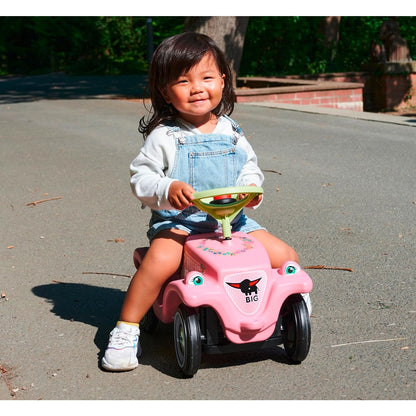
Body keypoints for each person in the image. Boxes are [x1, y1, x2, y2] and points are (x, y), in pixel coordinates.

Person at [101, 32, 306, 372]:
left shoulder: (231, 131)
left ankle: (287, 302)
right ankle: (127, 327)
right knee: (159, 263)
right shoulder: (164, 136)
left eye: (206, 78)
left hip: (232, 222)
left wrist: (250, 190)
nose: (197, 88)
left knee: (285, 256)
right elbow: (141, 177)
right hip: (181, 224)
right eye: (183, 81)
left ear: (223, 81)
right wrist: (166, 188)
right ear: (166, 91)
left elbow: (249, 169)